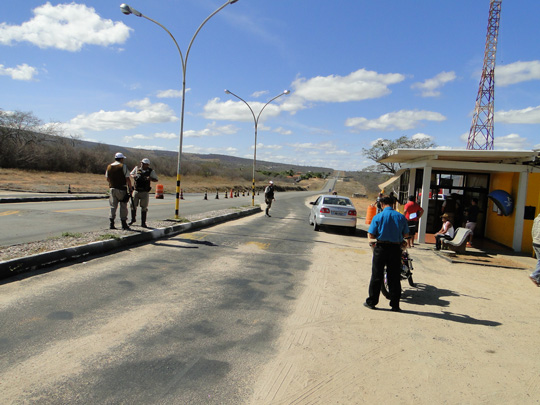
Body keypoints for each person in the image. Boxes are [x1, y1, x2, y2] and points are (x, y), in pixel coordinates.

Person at [365, 196, 409, 312]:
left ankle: (372, 302)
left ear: (382, 204)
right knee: (394, 277)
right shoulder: (401, 217)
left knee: (376, 275)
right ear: (393, 204)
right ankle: (395, 305)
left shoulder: (378, 217)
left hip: (381, 248)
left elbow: (372, 234)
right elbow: (405, 235)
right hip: (395, 248)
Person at [105, 152, 133, 230]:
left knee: (113, 206)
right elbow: (128, 178)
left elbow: (107, 178)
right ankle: (123, 223)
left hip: (112, 188)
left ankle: (111, 223)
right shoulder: (123, 166)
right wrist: (130, 188)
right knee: (123, 206)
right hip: (121, 189)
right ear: (121, 159)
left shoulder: (109, 167)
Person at [129, 158, 158, 227]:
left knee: (144, 207)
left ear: (147, 165)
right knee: (133, 206)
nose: (142, 164)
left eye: (144, 164)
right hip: (136, 190)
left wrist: (150, 178)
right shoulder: (136, 169)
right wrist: (134, 176)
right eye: (142, 163)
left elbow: (156, 179)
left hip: (144, 191)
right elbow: (131, 174)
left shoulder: (151, 171)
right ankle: (133, 219)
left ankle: (143, 222)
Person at [529, 213, 540, 287]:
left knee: (539, 260)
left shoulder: (536, 219)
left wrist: (533, 239)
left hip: (535, 242)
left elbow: (532, 230)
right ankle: (534, 275)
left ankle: (538, 280)